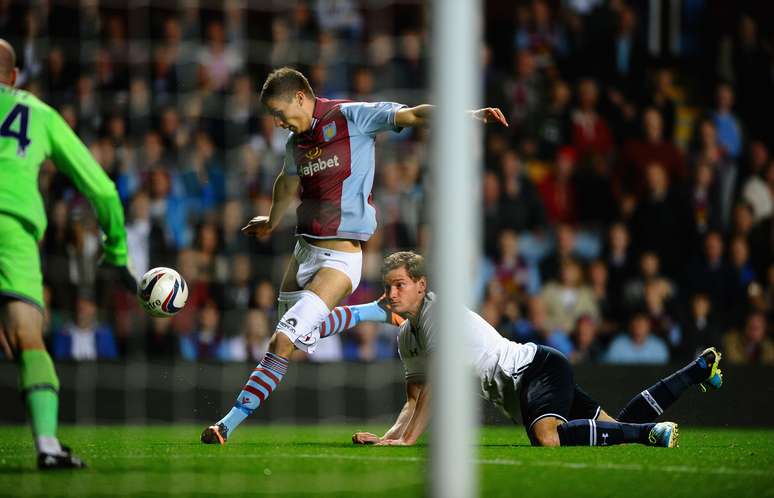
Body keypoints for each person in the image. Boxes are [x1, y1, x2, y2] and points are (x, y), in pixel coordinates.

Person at [201, 67, 508, 444]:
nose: (278, 122)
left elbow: (412, 114)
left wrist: (468, 115)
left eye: (280, 112)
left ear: (300, 96)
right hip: (304, 250)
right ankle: (372, 312)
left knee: (281, 342)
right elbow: (287, 181)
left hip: (341, 259)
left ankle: (225, 425)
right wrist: (271, 219)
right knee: (296, 338)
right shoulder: (295, 143)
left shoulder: (350, 116)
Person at [322, 252, 722, 448]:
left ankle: (649, 433)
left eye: (400, 285)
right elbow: (413, 400)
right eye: (388, 287)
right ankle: (696, 371)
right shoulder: (406, 337)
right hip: (531, 378)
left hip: (534, 370)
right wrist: (389, 439)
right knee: (613, 427)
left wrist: (409, 441)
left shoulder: (435, 314)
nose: (391, 294)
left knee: (547, 438)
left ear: (421, 285)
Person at [0, 39, 135, 469]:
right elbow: (102, 189)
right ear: (15, 76)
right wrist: (115, 249)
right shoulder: (37, 113)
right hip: (11, 230)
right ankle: (46, 445)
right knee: (26, 337)